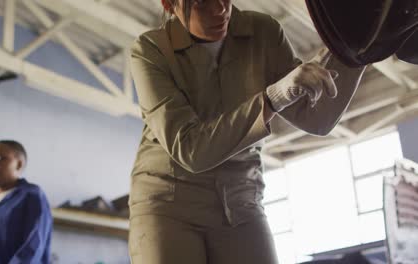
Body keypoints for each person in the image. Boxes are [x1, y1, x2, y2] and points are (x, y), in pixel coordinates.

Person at [128, 0, 366, 263]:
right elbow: (190, 148)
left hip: (241, 200)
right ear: (169, 4)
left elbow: (317, 118)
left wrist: (361, 45)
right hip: (169, 204)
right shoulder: (150, 50)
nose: (220, 9)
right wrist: (273, 98)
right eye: (202, 3)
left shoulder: (263, 32)